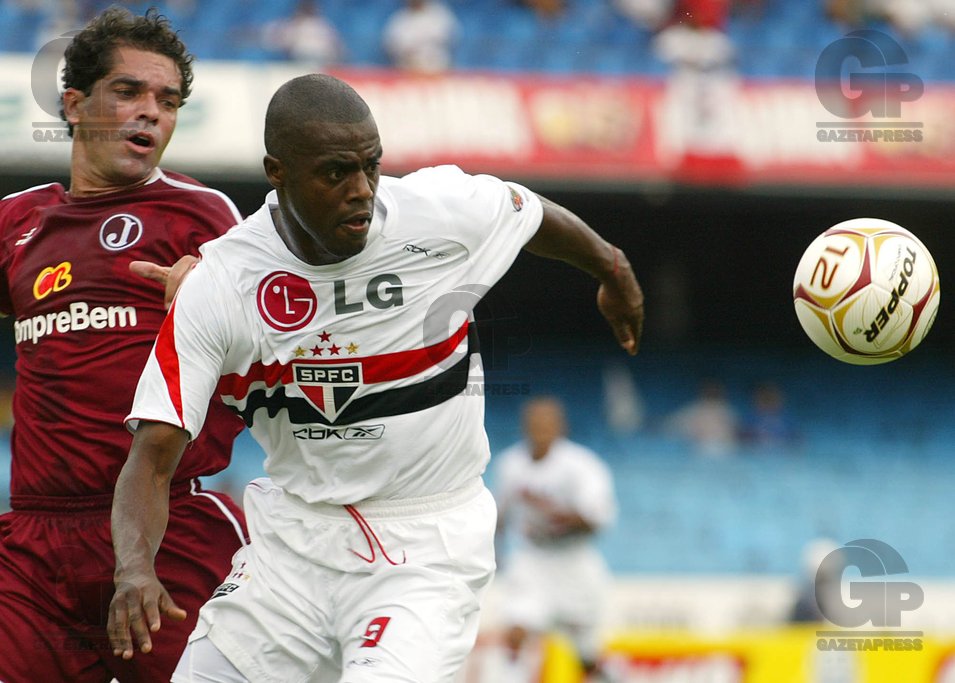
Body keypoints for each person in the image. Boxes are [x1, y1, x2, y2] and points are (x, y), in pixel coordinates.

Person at [106, 72, 644, 682]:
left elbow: (524, 211)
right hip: (292, 544)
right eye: (336, 172)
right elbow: (150, 458)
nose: (362, 191)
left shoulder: (439, 211)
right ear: (276, 172)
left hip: (426, 544)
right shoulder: (221, 286)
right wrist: (134, 569)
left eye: (371, 166)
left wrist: (613, 266)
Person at [0, 8, 247, 682]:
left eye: (166, 101)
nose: (150, 113)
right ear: (74, 105)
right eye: (128, 92)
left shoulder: (204, 217)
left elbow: (279, 341)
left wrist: (220, 298)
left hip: (172, 527)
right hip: (33, 544)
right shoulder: (18, 222)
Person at [493, 397, 618, 681]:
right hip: (532, 559)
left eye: (546, 422)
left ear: (561, 426)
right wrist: (495, 553)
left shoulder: (582, 466)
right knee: (516, 630)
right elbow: (500, 515)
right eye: (534, 422)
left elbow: (597, 520)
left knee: (587, 655)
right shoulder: (510, 464)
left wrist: (554, 513)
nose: (540, 428)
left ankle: (605, 675)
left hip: (574, 563)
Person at [382, 0, 460, 73]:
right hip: (408, 72)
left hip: (439, 70)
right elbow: (392, 49)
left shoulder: (440, 14)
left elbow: (453, 41)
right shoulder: (398, 20)